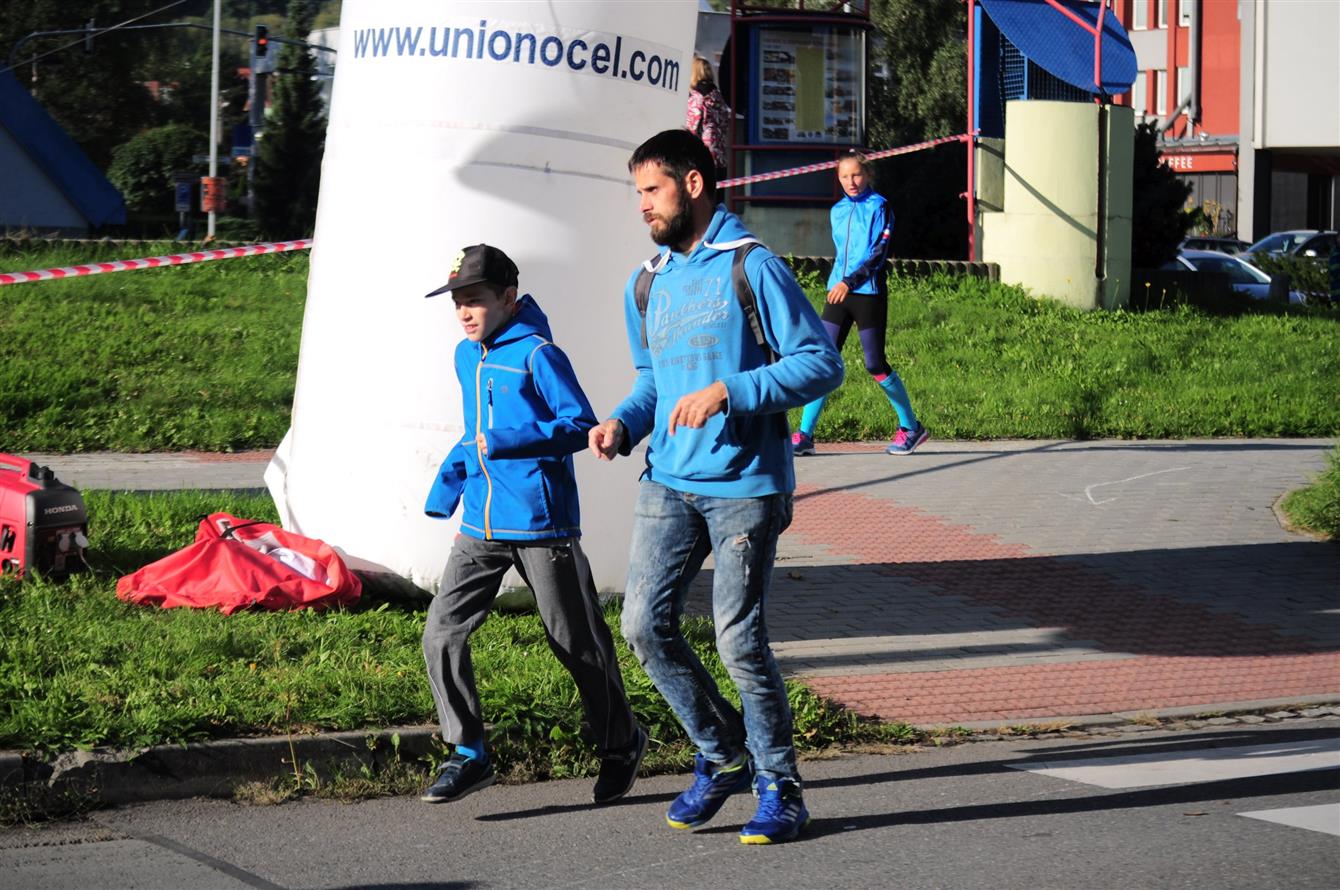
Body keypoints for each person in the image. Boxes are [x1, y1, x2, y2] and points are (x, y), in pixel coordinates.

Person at [588, 130, 843, 844]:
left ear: (693, 183)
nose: (642, 205)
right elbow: (654, 380)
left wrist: (730, 390)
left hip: (745, 486)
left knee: (738, 641)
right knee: (643, 626)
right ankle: (723, 753)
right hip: (668, 480)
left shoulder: (750, 265)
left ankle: (781, 787)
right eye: (638, 192)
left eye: (652, 190)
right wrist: (623, 424)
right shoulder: (647, 283)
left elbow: (820, 363)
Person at [420, 243, 645, 806]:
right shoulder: (466, 356)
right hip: (481, 523)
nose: (464, 312)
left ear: (508, 297)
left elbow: (578, 425)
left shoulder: (539, 354)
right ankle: (468, 751)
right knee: (441, 631)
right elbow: (473, 432)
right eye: (457, 302)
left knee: (575, 641)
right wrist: (450, 483)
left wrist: (507, 441)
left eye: (474, 300)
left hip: (542, 524)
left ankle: (621, 742)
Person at [791, 150, 928, 457]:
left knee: (875, 364)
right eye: (844, 176)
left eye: (856, 174)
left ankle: (911, 428)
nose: (851, 181)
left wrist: (849, 282)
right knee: (823, 359)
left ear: (867, 174)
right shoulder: (837, 210)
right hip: (837, 292)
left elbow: (877, 254)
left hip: (867, 293)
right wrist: (837, 283)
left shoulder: (880, 206)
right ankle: (805, 435)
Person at [685, 56, 732, 184]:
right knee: (718, 193)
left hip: (701, 157)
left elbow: (691, 127)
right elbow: (725, 124)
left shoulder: (697, 97)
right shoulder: (719, 97)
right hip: (720, 156)